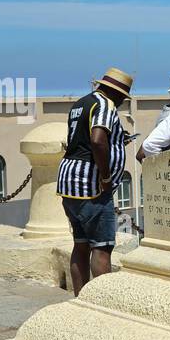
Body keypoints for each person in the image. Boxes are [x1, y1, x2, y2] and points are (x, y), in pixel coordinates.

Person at [58, 66, 133, 296]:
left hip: (69, 184)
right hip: (91, 186)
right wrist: (106, 176)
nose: (121, 102)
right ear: (116, 93)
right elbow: (98, 140)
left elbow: (80, 140)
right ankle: (101, 304)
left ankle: (80, 300)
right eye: (122, 97)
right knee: (102, 248)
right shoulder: (105, 105)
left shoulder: (81, 104)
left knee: (80, 245)